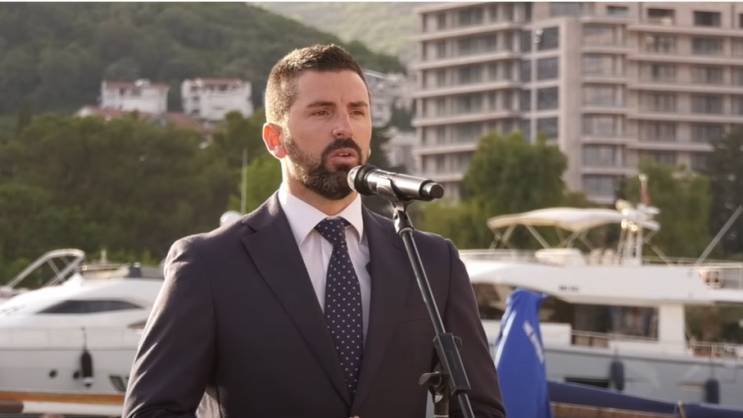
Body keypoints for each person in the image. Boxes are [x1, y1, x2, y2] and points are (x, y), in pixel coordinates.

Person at [123, 44, 505, 418]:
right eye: (322, 112)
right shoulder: (208, 265)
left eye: (357, 111)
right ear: (275, 140)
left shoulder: (433, 262)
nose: (344, 127)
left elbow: (480, 409)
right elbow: (152, 411)